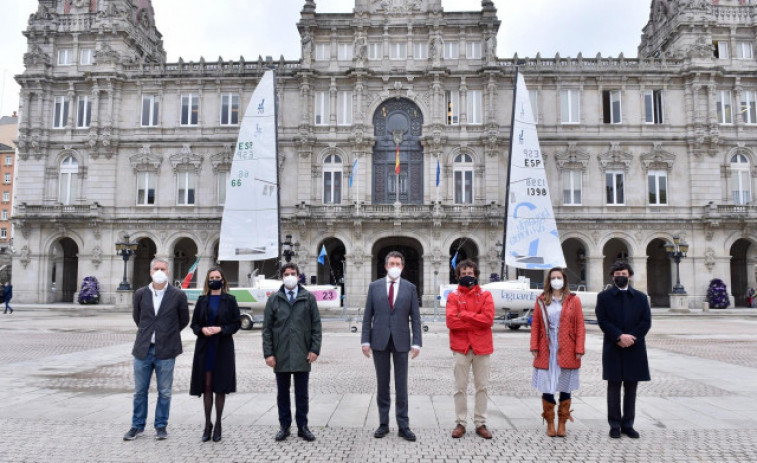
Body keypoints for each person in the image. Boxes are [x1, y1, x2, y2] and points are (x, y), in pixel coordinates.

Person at [124, 257, 190, 441]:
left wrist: (166, 333)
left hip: (167, 349)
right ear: (150, 272)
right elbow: (138, 318)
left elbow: (183, 320)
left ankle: (161, 426)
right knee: (139, 391)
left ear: (168, 272)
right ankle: (137, 426)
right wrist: (150, 332)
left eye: (163, 268)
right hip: (143, 349)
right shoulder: (140, 293)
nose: (159, 272)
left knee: (165, 391)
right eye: (156, 269)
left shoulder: (178, 295)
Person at [361, 250, 423, 442]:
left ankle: (403, 425)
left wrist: (417, 342)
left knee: (401, 385)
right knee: (382, 385)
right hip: (379, 340)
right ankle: (383, 424)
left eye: (398, 264)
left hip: (402, 341)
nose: (394, 267)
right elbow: (367, 316)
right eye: (391, 263)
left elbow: (416, 318)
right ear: (386, 266)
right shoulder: (374, 287)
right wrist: (365, 340)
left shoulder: (410, 288)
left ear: (402, 267)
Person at [263, 263, 322, 442]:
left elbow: (316, 326)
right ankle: (284, 426)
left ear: (298, 276)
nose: (290, 276)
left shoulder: (308, 298)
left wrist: (314, 349)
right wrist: (268, 353)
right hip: (280, 354)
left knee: (302, 393)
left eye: (293, 273)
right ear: (282, 277)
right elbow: (266, 329)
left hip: (303, 353)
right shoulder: (274, 299)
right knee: (282, 393)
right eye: (286, 274)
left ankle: (303, 427)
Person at [595, 261, 651, 439]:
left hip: (634, 347)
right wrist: (619, 337)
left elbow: (646, 321)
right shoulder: (603, 297)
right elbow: (602, 320)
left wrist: (631, 338)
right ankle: (614, 425)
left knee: (631, 387)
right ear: (612, 276)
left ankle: (628, 424)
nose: (621, 276)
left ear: (630, 276)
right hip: (613, 346)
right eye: (617, 273)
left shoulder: (641, 298)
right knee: (613, 387)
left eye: (624, 273)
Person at [530, 267, 585, 438]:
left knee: (565, 385)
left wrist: (579, 348)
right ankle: (550, 423)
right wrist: (534, 346)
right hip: (547, 345)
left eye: (558, 277)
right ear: (549, 280)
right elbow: (536, 324)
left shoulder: (573, 300)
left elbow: (580, 325)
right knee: (547, 384)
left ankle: (562, 423)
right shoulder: (541, 300)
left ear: (564, 279)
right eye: (553, 277)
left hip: (567, 345)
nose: (556, 280)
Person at [189, 267, 241, 442]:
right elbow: (194, 324)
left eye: (217, 277)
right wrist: (202, 329)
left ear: (223, 280)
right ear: (207, 281)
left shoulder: (230, 300)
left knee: (220, 386)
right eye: (211, 277)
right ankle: (207, 424)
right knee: (207, 387)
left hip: (222, 347)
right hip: (205, 347)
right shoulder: (202, 300)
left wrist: (220, 329)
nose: (214, 280)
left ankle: (218, 424)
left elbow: (236, 324)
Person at [446, 259, 495, 439]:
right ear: (458, 276)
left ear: (476, 275)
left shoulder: (486, 295)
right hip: (461, 348)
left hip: (482, 347)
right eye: (464, 274)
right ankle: (460, 422)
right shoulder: (453, 296)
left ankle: (480, 423)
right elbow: (451, 322)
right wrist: (476, 319)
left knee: (482, 387)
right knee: (460, 387)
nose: (468, 276)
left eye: (471, 273)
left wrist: (464, 315)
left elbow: (488, 320)